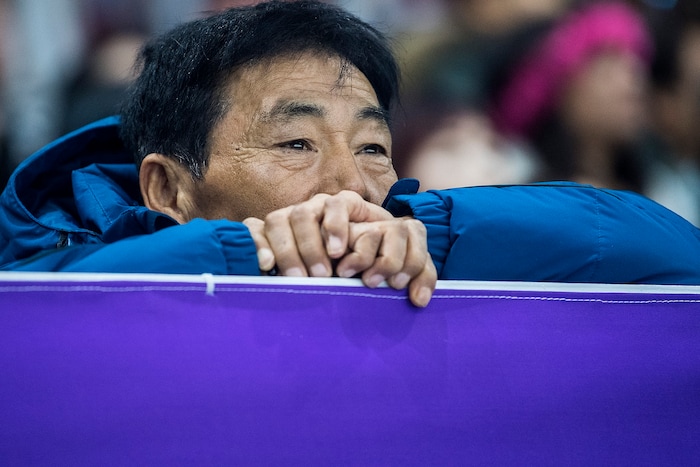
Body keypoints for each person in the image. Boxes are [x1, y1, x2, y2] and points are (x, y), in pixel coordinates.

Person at [2, 0, 700, 308]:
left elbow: (671, 252)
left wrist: (424, 231)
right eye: (296, 142)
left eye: (373, 145)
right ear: (166, 188)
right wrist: (256, 251)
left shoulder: (396, 238)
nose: (348, 186)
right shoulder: (50, 249)